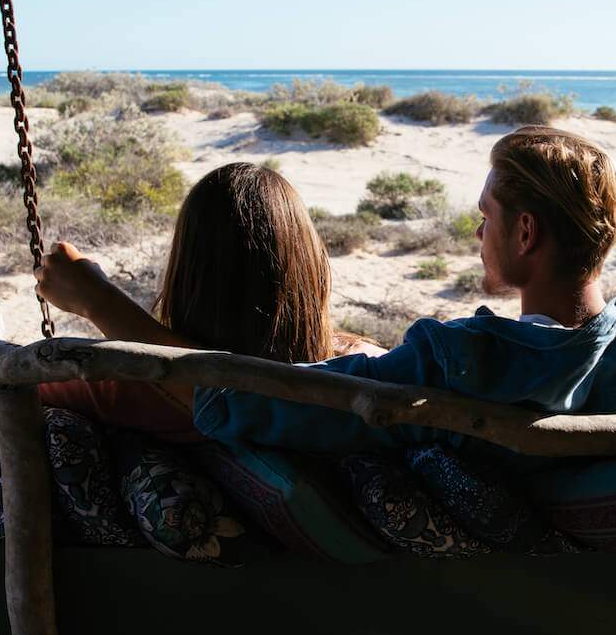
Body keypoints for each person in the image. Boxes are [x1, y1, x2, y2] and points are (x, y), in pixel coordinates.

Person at [191, 126, 616, 458]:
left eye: (487, 216)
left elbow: (230, 406)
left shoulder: (454, 360)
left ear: (525, 233)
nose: (479, 234)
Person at [34, 161, 379, 442]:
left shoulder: (120, 392)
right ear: (310, 266)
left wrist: (98, 301)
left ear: (186, 273)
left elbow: (4, 386)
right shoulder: (360, 376)